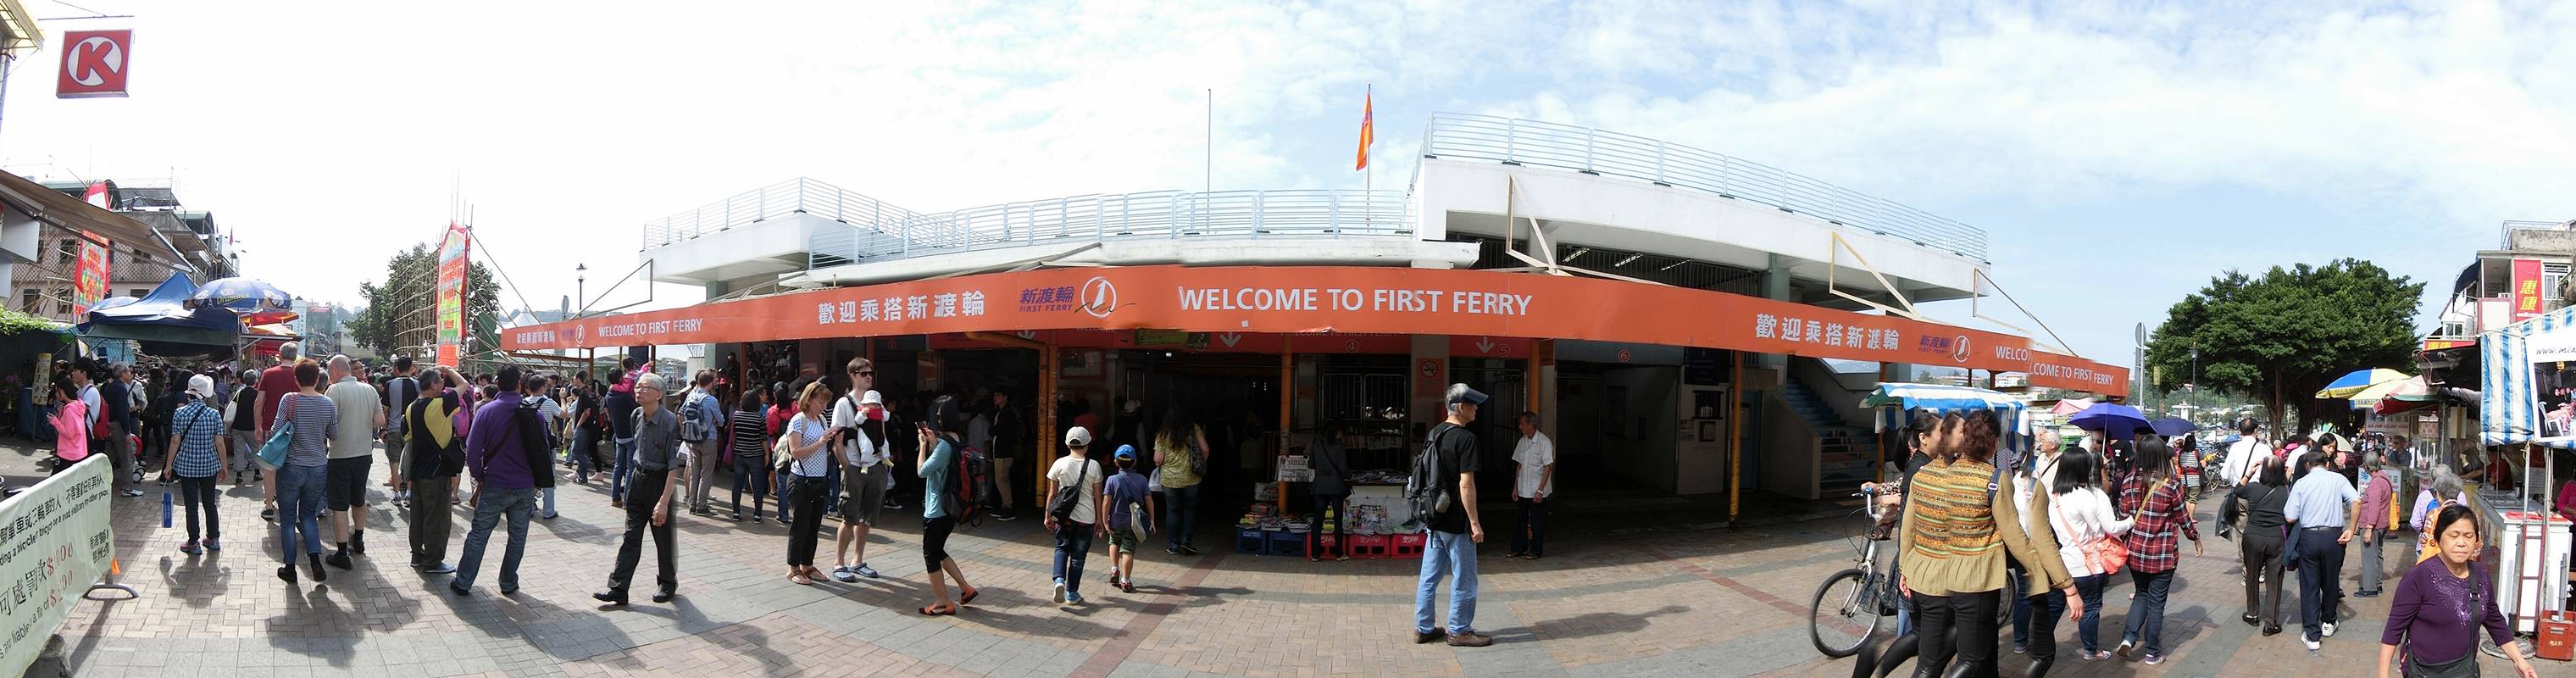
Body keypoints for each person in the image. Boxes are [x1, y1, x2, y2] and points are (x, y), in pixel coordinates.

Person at [1882, 410, 2068, 676]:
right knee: (1970, 658)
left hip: (1926, 575)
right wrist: (2052, 576)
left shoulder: (1926, 474)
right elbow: (2014, 536)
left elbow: (1909, 528)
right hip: (1974, 578)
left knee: (1932, 660)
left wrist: (1905, 566)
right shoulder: (1991, 479)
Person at [2379, 505, 2544, 678]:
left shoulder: (2480, 574)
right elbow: (2393, 630)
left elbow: (2495, 621)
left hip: (2464, 670)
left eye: (2468, 536)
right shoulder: (2418, 577)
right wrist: (2383, 674)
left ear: (2476, 540)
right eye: (2453, 535)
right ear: (2438, 538)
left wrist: (2520, 661)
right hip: (2423, 671)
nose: (2461, 543)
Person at [451, 364, 551, 597]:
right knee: (517, 537)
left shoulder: (487, 411)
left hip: (494, 482)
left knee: (479, 534)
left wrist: (479, 475)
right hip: (524, 485)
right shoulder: (533, 413)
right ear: (520, 385)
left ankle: (463, 582)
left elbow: (472, 450)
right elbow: (543, 450)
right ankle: (508, 582)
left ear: (497, 383)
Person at [1414, 384, 1493, 647]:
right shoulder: (1467, 439)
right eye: (1473, 404)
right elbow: (1466, 485)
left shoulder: (1435, 432)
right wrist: (1475, 523)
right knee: (1465, 578)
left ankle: (1423, 628)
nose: (1476, 408)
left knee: (1429, 577)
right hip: (1457, 521)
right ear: (1461, 407)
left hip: (1434, 519)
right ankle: (1459, 631)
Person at [597, 373, 684, 606]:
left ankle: (667, 583)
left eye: (645, 388)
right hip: (637, 480)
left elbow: (673, 466)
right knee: (630, 536)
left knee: (662, 538)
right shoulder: (636, 415)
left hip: (660, 482)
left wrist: (663, 502)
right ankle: (618, 588)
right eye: (638, 387)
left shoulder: (670, 422)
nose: (638, 391)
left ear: (659, 394)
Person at [2112, 436, 2199, 664]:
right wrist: (2195, 538)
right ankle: (2152, 652)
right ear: (2162, 455)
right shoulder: (2171, 485)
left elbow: (2123, 517)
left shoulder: (2129, 481)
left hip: (2135, 552)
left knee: (2141, 593)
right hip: (2162, 555)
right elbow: (2183, 519)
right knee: (2156, 603)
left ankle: (2128, 638)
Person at [2045, 447, 2129, 662]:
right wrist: (2131, 520)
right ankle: (2091, 650)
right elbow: (2111, 528)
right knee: (2091, 607)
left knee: (2054, 607)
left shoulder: (2053, 496)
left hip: (2062, 563)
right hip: (2089, 564)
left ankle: (2039, 645)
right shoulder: (2092, 495)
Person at [2281, 449, 2362, 651]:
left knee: (2309, 585)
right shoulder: (2338, 479)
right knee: (2331, 580)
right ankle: (2328, 620)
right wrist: (2352, 529)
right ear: (2327, 464)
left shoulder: (2301, 483)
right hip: (2333, 537)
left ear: (2307, 465)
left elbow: (2290, 516)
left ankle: (2312, 634)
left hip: (2309, 537)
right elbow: (2357, 501)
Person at [271, 358, 337, 584]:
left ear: (296, 379)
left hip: (291, 467)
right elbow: (334, 435)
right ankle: (315, 561)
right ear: (317, 379)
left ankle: (290, 568)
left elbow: (276, 430)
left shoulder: (289, 400)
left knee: (288, 519)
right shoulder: (328, 403)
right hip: (318, 467)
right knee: (308, 516)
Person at [323, 355, 386, 570]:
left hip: (340, 455)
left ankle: (342, 553)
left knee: (339, 506)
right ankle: (358, 540)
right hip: (364, 454)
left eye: (330, 372)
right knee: (359, 499)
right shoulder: (369, 390)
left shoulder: (334, 391)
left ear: (335, 370)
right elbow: (379, 421)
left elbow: (328, 423)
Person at [2009, 428, 2068, 658]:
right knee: (2043, 592)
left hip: (2020, 541)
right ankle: (2034, 640)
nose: (2041, 445)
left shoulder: (2017, 479)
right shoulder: (2036, 484)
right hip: (2036, 541)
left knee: (2026, 592)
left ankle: (2021, 640)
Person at [2221, 453, 2294, 636]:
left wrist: (2249, 473)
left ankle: (2252, 613)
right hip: (2276, 539)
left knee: (2252, 576)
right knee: (2274, 580)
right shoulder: (2286, 491)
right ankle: (2270, 623)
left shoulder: (2253, 488)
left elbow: (2236, 491)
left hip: (2252, 537)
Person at [830, 363, 891, 581]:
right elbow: (837, 439)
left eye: (871, 373)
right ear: (852, 375)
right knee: (849, 516)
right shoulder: (844, 404)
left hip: (876, 464)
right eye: (864, 373)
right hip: (855, 466)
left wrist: (884, 459)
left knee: (867, 517)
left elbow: (881, 430)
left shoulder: (875, 400)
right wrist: (847, 467)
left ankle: (857, 560)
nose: (869, 377)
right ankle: (839, 563)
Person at [917, 409, 980, 615]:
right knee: (938, 550)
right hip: (952, 506)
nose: (936, 418)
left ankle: (943, 602)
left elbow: (922, 471)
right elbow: (945, 464)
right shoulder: (957, 440)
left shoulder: (944, 444)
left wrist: (923, 446)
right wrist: (933, 442)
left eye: (938, 415)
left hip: (937, 508)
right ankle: (966, 588)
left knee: (931, 555)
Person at [159, 375, 229, 555]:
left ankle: (193, 542)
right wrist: (224, 465)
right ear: (205, 394)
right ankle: (213, 538)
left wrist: (168, 465)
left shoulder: (180, 413)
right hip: (209, 465)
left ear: (188, 393)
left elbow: (175, 441)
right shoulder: (214, 414)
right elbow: (220, 442)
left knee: (191, 505)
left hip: (186, 466)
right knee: (209, 503)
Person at [406, 367, 465, 574]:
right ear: (432, 385)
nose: (444, 384)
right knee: (437, 518)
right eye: (441, 381)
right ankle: (433, 561)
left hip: (418, 470)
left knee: (418, 515)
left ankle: (417, 555)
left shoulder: (411, 407)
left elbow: (409, 437)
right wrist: (448, 369)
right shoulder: (441, 404)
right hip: (437, 471)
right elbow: (463, 385)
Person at [781, 381, 838, 585]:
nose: (824, 406)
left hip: (819, 479)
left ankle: (807, 565)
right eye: (821, 401)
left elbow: (823, 449)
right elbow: (796, 452)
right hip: (801, 480)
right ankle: (793, 567)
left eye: (826, 402)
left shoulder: (821, 420)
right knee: (801, 525)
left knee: (814, 526)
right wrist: (821, 441)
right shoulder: (798, 420)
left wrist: (832, 441)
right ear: (809, 399)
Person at [1046, 426, 1104, 606]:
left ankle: (1059, 580)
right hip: (1087, 518)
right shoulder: (1094, 466)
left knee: (1061, 548)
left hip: (1064, 517)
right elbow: (1098, 496)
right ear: (1087, 445)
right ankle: (1072, 594)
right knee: (1078, 557)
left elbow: (1052, 494)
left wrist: (1048, 516)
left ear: (1067, 444)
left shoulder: (1059, 463)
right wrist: (1100, 520)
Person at [254, 344, 303, 520]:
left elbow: (259, 402)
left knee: (270, 467)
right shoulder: (301, 374)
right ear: (295, 356)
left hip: (271, 426)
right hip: (296, 427)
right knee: (294, 465)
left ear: (280, 355)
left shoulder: (269, 374)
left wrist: (257, 425)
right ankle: (291, 505)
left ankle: (269, 506)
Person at [1155, 409, 1208, 556]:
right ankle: (1187, 542)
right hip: (1192, 478)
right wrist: (1200, 463)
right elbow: (1205, 449)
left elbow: (1158, 459)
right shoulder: (1194, 428)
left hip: (1169, 479)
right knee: (1189, 510)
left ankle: (1173, 545)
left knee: (1172, 511)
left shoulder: (1163, 433)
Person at [1102, 445, 1153, 592]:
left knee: (1114, 542)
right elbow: (1149, 500)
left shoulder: (1112, 480)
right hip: (1133, 523)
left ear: (1115, 462)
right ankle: (1125, 580)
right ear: (1135, 462)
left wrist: (1105, 521)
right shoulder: (1142, 480)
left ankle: (1114, 569)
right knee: (1128, 551)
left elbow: (1106, 502)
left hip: (1115, 521)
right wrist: (1152, 519)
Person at [1506, 412, 1553, 560]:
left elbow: (1548, 467)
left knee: (1537, 522)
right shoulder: (1522, 442)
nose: (1520, 427)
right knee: (1519, 520)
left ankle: (1536, 551)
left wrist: (1540, 490)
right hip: (1523, 488)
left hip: (1537, 489)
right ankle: (1519, 548)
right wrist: (1515, 487)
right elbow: (1519, 465)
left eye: (1522, 424)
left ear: (1531, 424)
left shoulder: (1544, 442)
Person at [678, 370, 724, 516]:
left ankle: (692, 504)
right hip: (708, 438)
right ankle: (702, 506)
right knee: (706, 474)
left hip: (692, 438)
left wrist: (684, 431)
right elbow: (721, 421)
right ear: (710, 383)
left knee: (695, 473)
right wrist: (716, 421)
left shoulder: (691, 395)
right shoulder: (711, 400)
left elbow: (680, 413)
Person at [2355, 452, 2397, 597]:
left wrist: (2369, 528)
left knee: (2369, 557)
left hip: (2373, 525)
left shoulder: (2376, 483)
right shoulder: (2384, 478)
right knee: (2377, 554)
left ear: (2366, 466)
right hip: (2382, 524)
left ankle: (2370, 587)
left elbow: (2374, 506)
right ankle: (2376, 583)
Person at [728, 385, 771, 522]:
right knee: (758, 486)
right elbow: (763, 439)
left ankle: (736, 513)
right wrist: (766, 454)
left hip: (740, 454)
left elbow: (734, 435)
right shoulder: (760, 418)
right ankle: (757, 515)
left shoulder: (737, 415)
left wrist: (734, 449)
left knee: (737, 485)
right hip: (756, 455)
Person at [606, 355, 646, 505]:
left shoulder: (609, 395)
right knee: (630, 468)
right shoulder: (625, 397)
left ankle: (615, 498)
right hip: (630, 434)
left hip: (619, 435)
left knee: (618, 467)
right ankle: (628, 501)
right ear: (620, 378)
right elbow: (637, 410)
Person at [1308, 424, 1351, 562]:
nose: (1341, 436)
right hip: (1336, 488)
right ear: (1337, 432)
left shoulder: (1316, 444)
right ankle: (1339, 554)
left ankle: (1315, 554)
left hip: (1319, 487)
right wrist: (1349, 475)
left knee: (1317, 521)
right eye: (1341, 433)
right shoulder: (1339, 446)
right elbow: (1343, 468)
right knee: (1337, 521)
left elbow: (1310, 464)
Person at [2412, 467, 2471, 564]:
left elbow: (2415, 524)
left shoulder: (2432, 513)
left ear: (2438, 494)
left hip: (2434, 558)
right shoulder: (2468, 515)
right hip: (2459, 558)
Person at [99, 364, 142, 497]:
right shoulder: (121, 388)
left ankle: (99, 483)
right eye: (128, 372)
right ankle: (127, 488)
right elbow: (122, 412)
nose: (130, 374)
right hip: (118, 426)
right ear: (123, 374)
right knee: (127, 458)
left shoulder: (109, 386)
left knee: (108, 458)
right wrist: (127, 432)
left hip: (109, 425)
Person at [382, 356, 420, 505]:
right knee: (411, 460)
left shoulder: (390, 384)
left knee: (394, 461)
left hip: (394, 428)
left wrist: (384, 428)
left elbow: (386, 409)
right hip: (412, 429)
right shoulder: (417, 384)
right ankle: (409, 494)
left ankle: (397, 494)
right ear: (411, 368)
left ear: (396, 369)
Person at [989, 390, 1021, 520]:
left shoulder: (1006, 413)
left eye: (998, 395)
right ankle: (1004, 505)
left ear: (1005, 397)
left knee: (1001, 480)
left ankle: (1008, 507)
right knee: (1003, 479)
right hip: (1002, 451)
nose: (995, 398)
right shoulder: (1003, 412)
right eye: (995, 395)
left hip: (1003, 451)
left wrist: (993, 429)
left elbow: (997, 430)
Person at [226, 368, 261, 486]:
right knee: (256, 450)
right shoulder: (257, 394)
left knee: (238, 450)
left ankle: (239, 475)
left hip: (237, 426)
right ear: (255, 381)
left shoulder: (239, 393)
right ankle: (257, 473)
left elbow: (233, 408)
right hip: (252, 426)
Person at [47, 378, 89, 475]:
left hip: (68, 453)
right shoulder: (78, 405)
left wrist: (54, 422)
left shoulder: (70, 410)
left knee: (56, 480)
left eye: (57, 391)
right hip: (78, 451)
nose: (56, 394)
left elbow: (69, 433)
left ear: (62, 391)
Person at [2222, 418, 2268, 487]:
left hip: (2239, 489)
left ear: (2241, 431)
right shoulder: (2265, 449)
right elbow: (2271, 473)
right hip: (2259, 490)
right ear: (2255, 430)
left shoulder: (2235, 447)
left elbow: (2225, 475)